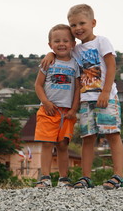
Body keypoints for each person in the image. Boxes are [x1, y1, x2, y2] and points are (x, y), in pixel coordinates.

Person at [41, 4, 123, 190]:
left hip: (106, 97)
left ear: (93, 23)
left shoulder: (102, 42)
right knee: (88, 137)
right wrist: (49, 53)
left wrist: (105, 91)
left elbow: (111, 67)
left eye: (82, 23)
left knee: (112, 134)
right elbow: (60, 51)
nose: (78, 28)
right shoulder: (76, 50)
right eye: (73, 25)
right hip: (86, 100)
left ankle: (118, 175)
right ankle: (86, 177)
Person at [34, 24, 81, 188]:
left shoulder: (75, 65)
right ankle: (45, 177)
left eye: (66, 41)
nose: (61, 44)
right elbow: (38, 85)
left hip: (67, 112)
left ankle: (63, 178)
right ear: (50, 45)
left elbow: (77, 89)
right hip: (48, 110)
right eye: (57, 41)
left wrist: (74, 109)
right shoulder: (48, 62)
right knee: (47, 144)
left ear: (73, 44)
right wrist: (45, 102)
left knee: (63, 145)